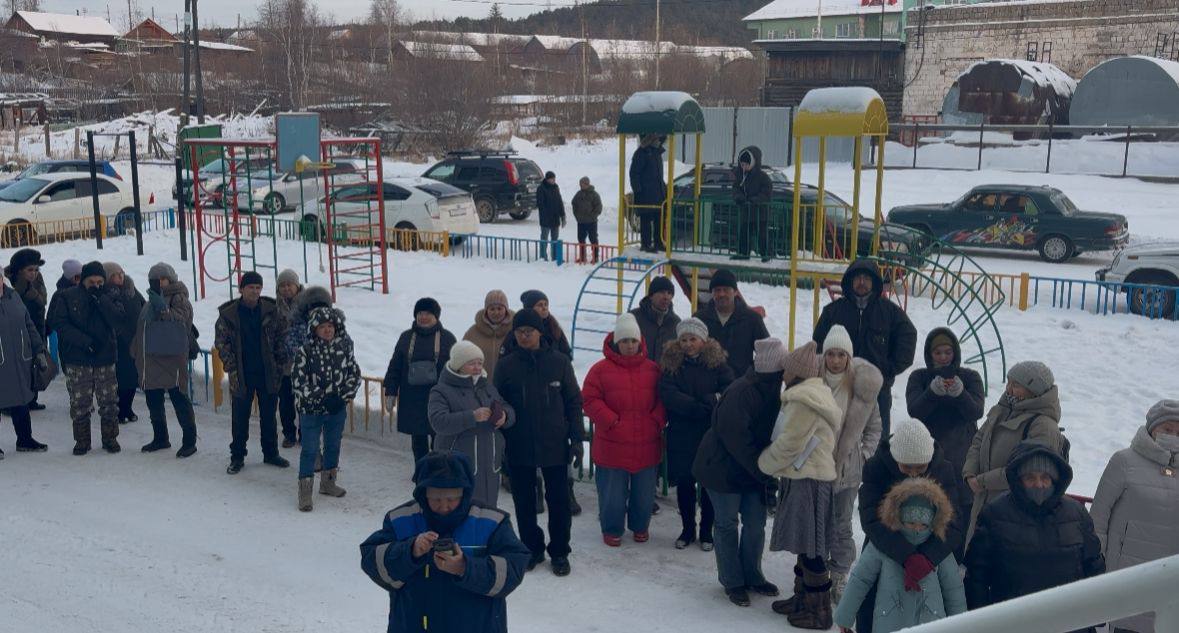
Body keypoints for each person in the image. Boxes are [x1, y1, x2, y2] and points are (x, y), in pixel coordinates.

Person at [360, 451, 531, 633]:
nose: (444, 506)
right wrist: (410, 551)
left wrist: (464, 567)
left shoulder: (491, 521)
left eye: (451, 499)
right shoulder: (401, 519)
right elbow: (372, 561)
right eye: (435, 499)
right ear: (423, 494)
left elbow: (513, 569)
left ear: (464, 493)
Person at [693, 337, 799, 608]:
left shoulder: (774, 389)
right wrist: (764, 471)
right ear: (774, 368)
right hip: (722, 468)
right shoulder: (742, 392)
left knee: (755, 523)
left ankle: (752, 575)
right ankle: (732, 580)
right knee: (727, 524)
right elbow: (736, 440)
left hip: (752, 469)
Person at [964, 442, 1105, 632]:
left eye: (1045, 477)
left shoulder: (1077, 514)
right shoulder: (995, 514)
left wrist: (1096, 613)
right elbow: (977, 576)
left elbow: (1094, 567)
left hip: (1068, 623)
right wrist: (980, 623)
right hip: (1013, 624)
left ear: (1055, 479)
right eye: (1030, 478)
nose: (1039, 484)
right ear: (1018, 479)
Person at [845, 420, 967, 633]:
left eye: (920, 467)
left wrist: (928, 557)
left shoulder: (943, 470)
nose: (913, 473)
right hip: (885, 545)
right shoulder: (876, 468)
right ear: (895, 459)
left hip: (931, 552)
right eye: (906, 467)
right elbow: (871, 518)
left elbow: (954, 523)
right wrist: (906, 555)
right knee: (871, 609)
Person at [493, 309, 584, 577]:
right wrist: (501, 444)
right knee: (524, 502)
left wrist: (577, 438)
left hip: (555, 444)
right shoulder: (506, 365)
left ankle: (560, 551)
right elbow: (497, 403)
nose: (524, 336)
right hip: (518, 443)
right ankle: (531, 548)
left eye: (529, 331)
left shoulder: (559, 362)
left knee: (559, 502)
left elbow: (573, 402)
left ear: (539, 333)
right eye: (519, 332)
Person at [758, 343, 840, 629]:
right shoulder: (815, 395)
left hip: (808, 480)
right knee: (807, 545)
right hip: (808, 477)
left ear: (795, 373)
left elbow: (790, 443)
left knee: (812, 548)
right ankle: (802, 599)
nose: (783, 375)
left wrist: (764, 464)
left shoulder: (804, 401)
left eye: (787, 370)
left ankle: (819, 612)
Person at [833, 477, 967, 633]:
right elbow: (860, 579)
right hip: (889, 622)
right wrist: (844, 617)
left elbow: (953, 589)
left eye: (923, 524)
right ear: (899, 517)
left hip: (930, 621)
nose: (917, 529)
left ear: (933, 521)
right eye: (911, 523)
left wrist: (961, 625)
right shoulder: (884, 545)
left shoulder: (938, 549)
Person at [1090, 400, 1179, 633]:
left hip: (1167, 581)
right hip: (1124, 578)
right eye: (1167, 429)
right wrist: (1098, 564)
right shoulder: (1124, 461)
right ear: (1152, 429)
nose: (1173, 436)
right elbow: (1098, 518)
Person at [581, 313, 665, 546]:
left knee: (644, 494)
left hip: (646, 443)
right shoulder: (599, 370)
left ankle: (640, 525)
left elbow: (664, 399)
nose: (629, 345)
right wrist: (612, 421)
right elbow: (589, 399)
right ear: (616, 342)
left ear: (640, 341)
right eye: (625, 341)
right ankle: (611, 527)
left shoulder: (653, 370)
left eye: (633, 340)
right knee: (612, 494)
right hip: (612, 444)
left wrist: (655, 421)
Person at [813, 259, 918, 437]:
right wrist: (830, 369)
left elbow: (908, 337)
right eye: (857, 278)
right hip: (839, 387)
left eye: (867, 278)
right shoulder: (833, 311)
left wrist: (887, 369)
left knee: (877, 440)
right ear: (850, 281)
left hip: (877, 391)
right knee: (836, 437)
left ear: (875, 282)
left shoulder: (890, 312)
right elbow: (818, 344)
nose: (862, 282)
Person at [963, 360, 1063, 543]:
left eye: (1016, 385)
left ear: (1033, 391)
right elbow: (978, 440)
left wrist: (982, 481)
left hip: (1014, 516)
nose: (1008, 389)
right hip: (982, 504)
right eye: (1008, 382)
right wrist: (970, 472)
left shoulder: (1043, 426)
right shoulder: (1002, 409)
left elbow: (1028, 471)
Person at [659, 317, 735, 551]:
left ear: (703, 340)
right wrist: (694, 406)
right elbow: (668, 392)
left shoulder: (717, 363)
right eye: (684, 339)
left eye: (693, 339)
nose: (688, 344)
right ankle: (687, 529)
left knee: (709, 484)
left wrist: (710, 401)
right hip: (682, 432)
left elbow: (729, 389)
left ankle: (706, 531)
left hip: (709, 432)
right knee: (685, 483)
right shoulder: (672, 363)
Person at [822, 325, 884, 603]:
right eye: (831, 354)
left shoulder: (861, 389)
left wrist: (863, 455)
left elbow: (874, 428)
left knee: (841, 523)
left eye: (841, 355)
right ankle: (815, 572)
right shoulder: (815, 383)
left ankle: (839, 574)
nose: (836, 361)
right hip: (817, 466)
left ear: (849, 357)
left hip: (848, 471)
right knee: (817, 521)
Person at [214, 271, 291, 474]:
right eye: (251, 287)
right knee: (240, 418)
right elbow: (222, 343)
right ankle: (237, 456)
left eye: (258, 288)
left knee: (269, 417)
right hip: (242, 375)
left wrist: (279, 363)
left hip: (267, 373)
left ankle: (271, 453)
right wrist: (231, 366)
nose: (255, 291)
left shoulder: (271, 311)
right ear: (241, 289)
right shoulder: (229, 314)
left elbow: (283, 336)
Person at [905, 327, 985, 520]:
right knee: (930, 504)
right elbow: (914, 411)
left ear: (955, 353)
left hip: (962, 452)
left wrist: (961, 394)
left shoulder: (970, 377)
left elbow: (976, 411)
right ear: (929, 354)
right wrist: (932, 393)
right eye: (938, 353)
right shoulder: (919, 377)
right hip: (928, 452)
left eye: (948, 352)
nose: (943, 357)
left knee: (962, 508)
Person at [47, 261, 125, 455]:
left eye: (100, 282)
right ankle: (82, 441)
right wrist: (85, 342)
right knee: (80, 403)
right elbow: (60, 324)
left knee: (109, 402)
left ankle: (110, 438)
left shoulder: (110, 295)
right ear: (83, 280)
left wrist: (102, 300)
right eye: (91, 282)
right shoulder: (67, 296)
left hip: (105, 358)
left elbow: (118, 320)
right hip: (78, 359)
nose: (96, 285)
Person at [429, 341, 515, 507]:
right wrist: (472, 417)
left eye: (480, 363)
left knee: (488, 508)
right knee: (461, 507)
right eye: (471, 363)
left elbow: (506, 406)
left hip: (490, 461)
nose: (477, 367)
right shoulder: (441, 390)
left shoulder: (487, 386)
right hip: (457, 462)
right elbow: (438, 421)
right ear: (458, 365)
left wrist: (505, 416)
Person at [292, 306, 361, 512]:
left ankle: (328, 483)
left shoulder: (344, 348)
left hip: (337, 409)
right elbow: (299, 382)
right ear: (314, 329)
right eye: (322, 326)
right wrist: (322, 397)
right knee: (310, 449)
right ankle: (305, 492)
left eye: (330, 326)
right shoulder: (305, 351)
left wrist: (343, 397)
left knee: (333, 446)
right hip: (311, 410)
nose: (327, 330)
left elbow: (354, 374)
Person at [131, 263, 197, 457]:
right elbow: (143, 327)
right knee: (154, 400)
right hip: (151, 359)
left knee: (179, 399)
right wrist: (135, 348)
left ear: (171, 279)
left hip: (172, 359)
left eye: (162, 279)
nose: (159, 283)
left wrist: (163, 309)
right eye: (155, 280)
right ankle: (160, 437)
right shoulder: (151, 300)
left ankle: (189, 441)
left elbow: (181, 322)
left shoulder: (179, 298)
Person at [384, 297, 457, 464]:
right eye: (420, 313)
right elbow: (395, 366)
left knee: (440, 438)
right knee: (418, 441)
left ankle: (438, 470)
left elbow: (457, 367)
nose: (423, 317)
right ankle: (421, 470)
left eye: (428, 313)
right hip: (412, 398)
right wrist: (391, 391)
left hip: (439, 398)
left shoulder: (447, 338)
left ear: (436, 316)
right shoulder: (406, 337)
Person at [0, 267, 48, 457]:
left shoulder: (13, 297)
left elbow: (29, 325)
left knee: (21, 400)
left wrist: (39, 350)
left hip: (20, 359)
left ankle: (25, 439)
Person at [284, 284, 332, 468]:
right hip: (306, 382)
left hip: (329, 382)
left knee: (329, 423)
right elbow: (292, 347)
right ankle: (314, 456)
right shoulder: (298, 326)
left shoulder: (333, 326)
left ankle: (329, 456)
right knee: (309, 422)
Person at [693, 269, 770, 377]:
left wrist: (751, 377)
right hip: (707, 383)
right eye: (717, 290)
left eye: (726, 290)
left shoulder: (752, 319)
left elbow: (767, 353)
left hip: (742, 383)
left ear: (735, 292)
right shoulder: (699, 319)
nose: (721, 294)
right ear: (712, 293)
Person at [102, 262, 145, 425]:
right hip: (118, 342)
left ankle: (128, 408)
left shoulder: (131, 289)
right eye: (115, 275)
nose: (120, 277)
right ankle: (120, 409)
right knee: (121, 378)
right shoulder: (107, 294)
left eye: (121, 273)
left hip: (135, 340)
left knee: (133, 378)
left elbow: (143, 305)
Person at [4, 248, 47, 410]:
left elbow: (42, 300)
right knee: (16, 367)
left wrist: (33, 293)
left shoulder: (37, 281)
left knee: (34, 365)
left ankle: (31, 398)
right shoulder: (9, 284)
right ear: (19, 270)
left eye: (36, 269)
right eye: (30, 270)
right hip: (15, 332)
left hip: (35, 327)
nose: (34, 273)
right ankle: (10, 402)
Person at [731, 145, 773, 262]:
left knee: (762, 235)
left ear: (753, 163)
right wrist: (739, 197)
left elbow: (766, 193)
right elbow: (735, 189)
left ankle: (766, 255)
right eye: (742, 164)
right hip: (747, 211)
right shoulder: (740, 176)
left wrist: (755, 200)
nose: (744, 167)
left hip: (760, 212)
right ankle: (743, 253)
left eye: (746, 164)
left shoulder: (763, 177)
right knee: (744, 233)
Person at [276, 268, 303, 448]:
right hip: (284, 364)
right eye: (282, 285)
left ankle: (306, 433)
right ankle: (289, 434)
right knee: (285, 403)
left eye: (289, 285)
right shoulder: (275, 307)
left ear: (297, 286)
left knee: (304, 402)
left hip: (303, 364)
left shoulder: (307, 304)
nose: (286, 289)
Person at [462, 290, 514, 383]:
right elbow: (462, 357)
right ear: (486, 311)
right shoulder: (473, 332)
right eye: (492, 309)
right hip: (478, 385)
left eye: (499, 308)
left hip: (508, 385)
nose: (496, 312)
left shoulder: (515, 331)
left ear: (506, 310)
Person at [629, 275, 679, 364]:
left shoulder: (676, 323)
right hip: (636, 370)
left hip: (664, 372)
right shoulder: (633, 318)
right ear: (651, 296)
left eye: (669, 293)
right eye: (661, 292)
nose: (666, 297)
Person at [629, 133, 666, 253]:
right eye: (656, 138)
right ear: (651, 140)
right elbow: (634, 173)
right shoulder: (642, 153)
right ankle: (646, 244)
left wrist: (663, 189)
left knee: (659, 219)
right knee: (646, 220)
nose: (659, 141)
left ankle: (658, 243)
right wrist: (638, 191)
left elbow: (658, 176)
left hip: (658, 194)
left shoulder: (656, 152)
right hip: (645, 195)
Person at [571, 176, 602, 264]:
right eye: (580, 184)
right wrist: (577, 216)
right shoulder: (578, 194)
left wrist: (593, 216)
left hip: (592, 222)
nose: (581, 185)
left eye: (582, 184)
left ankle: (595, 257)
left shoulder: (594, 195)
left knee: (593, 239)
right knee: (581, 239)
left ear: (587, 184)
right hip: (581, 222)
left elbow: (599, 207)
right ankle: (582, 257)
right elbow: (574, 203)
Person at [535, 171, 566, 261]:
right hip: (546, 219)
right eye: (552, 179)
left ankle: (555, 257)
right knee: (544, 238)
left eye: (554, 178)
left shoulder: (555, 187)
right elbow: (540, 204)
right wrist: (547, 214)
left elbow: (559, 202)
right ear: (547, 179)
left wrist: (562, 216)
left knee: (555, 239)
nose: (553, 180)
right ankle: (543, 256)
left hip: (555, 218)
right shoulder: (541, 188)